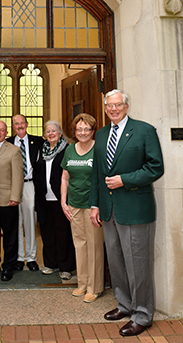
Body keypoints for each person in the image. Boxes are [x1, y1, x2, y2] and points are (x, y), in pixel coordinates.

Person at [89, 89, 164, 336]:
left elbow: (155, 167)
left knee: (138, 265)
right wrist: (95, 204)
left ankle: (142, 314)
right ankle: (125, 305)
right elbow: (97, 175)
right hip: (108, 211)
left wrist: (125, 180)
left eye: (118, 105)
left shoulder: (145, 131)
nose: (113, 109)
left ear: (127, 106)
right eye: (109, 105)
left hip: (136, 209)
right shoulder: (100, 135)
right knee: (117, 262)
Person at [61, 113, 104, 303]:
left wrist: (99, 205)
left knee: (94, 246)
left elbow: (103, 178)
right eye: (79, 129)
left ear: (92, 131)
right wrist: (64, 201)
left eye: (87, 129)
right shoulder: (70, 150)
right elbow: (64, 177)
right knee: (80, 244)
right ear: (75, 131)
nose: (83, 132)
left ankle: (95, 287)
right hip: (74, 204)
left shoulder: (98, 149)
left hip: (93, 205)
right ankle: (82, 283)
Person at [34, 120, 76, 280]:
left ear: (60, 133)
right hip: (44, 198)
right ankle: (51, 264)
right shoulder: (42, 149)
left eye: (54, 131)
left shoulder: (67, 149)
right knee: (47, 231)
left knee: (63, 232)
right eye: (48, 131)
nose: (51, 134)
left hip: (61, 198)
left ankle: (66, 267)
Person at [0, 121, 24, 281]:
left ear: (6, 133)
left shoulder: (14, 150)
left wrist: (15, 197)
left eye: (2, 130)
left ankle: (8, 267)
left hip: (7, 200)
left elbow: (18, 175)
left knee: (9, 237)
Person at [7, 114, 44, 271]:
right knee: (16, 221)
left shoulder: (38, 141)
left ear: (27, 124)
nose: (20, 126)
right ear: (13, 126)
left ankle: (31, 257)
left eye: (22, 123)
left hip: (30, 185)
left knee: (29, 221)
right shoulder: (7, 142)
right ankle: (19, 258)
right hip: (12, 186)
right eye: (16, 123)